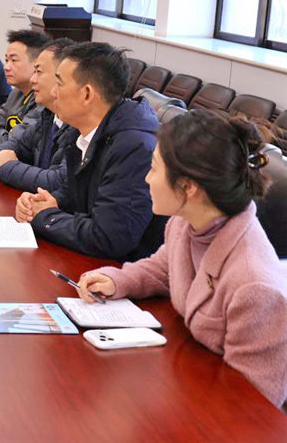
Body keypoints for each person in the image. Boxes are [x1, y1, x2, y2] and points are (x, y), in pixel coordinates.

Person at [78, 110, 287, 407]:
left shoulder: (255, 287)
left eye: (153, 169)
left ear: (188, 187)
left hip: (219, 412)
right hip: (187, 382)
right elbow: (166, 268)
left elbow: (253, 405)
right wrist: (118, 280)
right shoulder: (186, 222)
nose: (146, 178)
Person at [15, 42, 166, 262]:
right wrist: (43, 203)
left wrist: (45, 217)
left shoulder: (135, 147)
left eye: (59, 84)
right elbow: (72, 193)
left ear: (87, 94)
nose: (53, 92)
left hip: (125, 272)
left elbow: (109, 237)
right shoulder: (84, 130)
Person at [0, 38, 78, 192]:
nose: (32, 79)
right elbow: (12, 145)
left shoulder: (78, 125)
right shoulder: (48, 116)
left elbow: (56, 182)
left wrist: (6, 166)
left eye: (38, 72)